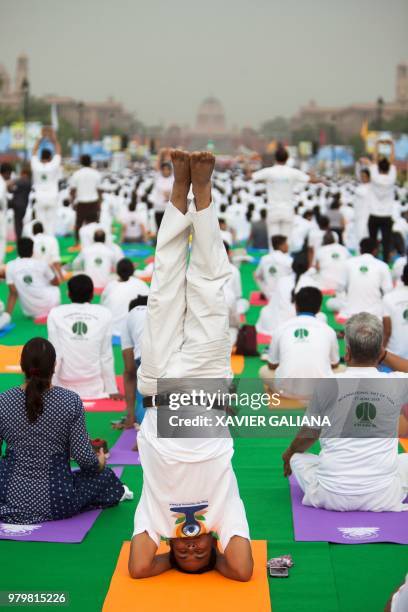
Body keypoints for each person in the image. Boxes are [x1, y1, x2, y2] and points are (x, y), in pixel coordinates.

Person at [129, 150, 252, 581]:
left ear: (172, 549)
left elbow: (140, 567)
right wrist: (214, 555)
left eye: (188, 553)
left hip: (160, 386)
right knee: (208, 290)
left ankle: (178, 193)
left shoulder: (158, 519)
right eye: (204, 551)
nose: (195, 543)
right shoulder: (225, 514)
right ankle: (203, 193)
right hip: (206, 385)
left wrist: (168, 555)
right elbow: (241, 570)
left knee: (162, 291)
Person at [282, 313, 408, 512]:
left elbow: (309, 435)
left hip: (331, 496)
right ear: (380, 352)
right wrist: (383, 355)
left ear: (347, 353)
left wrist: (289, 453)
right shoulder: (398, 382)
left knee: (298, 458)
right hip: (383, 495)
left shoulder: (327, 385)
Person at [0, 337, 129, 524]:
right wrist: (99, 463)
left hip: (7, 494)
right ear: (54, 366)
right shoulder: (70, 400)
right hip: (57, 499)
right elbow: (84, 459)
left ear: (22, 365)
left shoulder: (4, 401)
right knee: (106, 477)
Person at [47, 274, 121, 400]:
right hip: (95, 387)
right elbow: (105, 355)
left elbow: (55, 353)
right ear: (92, 295)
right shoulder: (104, 314)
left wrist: (49, 387)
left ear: (68, 294)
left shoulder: (55, 313)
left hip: (62, 387)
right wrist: (112, 389)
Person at [259, 287, 339, 397]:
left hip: (285, 391)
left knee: (264, 371)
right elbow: (335, 364)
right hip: (321, 392)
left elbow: (271, 365)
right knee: (342, 370)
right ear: (319, 308)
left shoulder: (282, 328)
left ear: (295, 306)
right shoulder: (328, 330)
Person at [252, 145, 311, 238]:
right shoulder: (293, 172)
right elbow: (309, 179)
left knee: (273, 241)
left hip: (273, 210)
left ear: (275, 158)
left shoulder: (269, 171)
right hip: (287, 210)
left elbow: (251, 177)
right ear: (287, 158)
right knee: (286, 241)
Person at [327, 237, 392, 320]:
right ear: (375, 251)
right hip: (375, 313)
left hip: (350, 311)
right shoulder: (383, 266)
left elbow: (339, 288)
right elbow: (388, 292)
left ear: (360, 249)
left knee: (330, 302)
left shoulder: (348, 263)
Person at [6, 237, 60, 318]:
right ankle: (48, 311)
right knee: (55, 289)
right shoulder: (42, 264)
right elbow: (56, 283)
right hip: (50, 304)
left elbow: (13, 293)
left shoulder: (10, 266)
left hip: (29, 311)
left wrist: (7, 315)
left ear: (17, 251)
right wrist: (52, 270)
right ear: (32, 250)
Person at [365, 140, 397, 263]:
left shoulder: (374, 176)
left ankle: (372, 261)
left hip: (373, 214)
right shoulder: (391, 177)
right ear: (389, 168)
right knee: (386, 241)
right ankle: (385, 263)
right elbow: (392, 161)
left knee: (373, 240)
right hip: (387, 216)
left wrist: (376, 144)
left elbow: (374, 159)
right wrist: (392, 145)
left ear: (378, 167)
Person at [101, 258, 149, 337]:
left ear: (117, 271)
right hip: (133, 332)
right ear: (133, 270)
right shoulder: (141, 284)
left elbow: (103, 306)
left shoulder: (110, 286)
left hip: (112, 331)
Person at [121, 295, 149, 430]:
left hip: (146, 359)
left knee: (144, 392)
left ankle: (145, 432)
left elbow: (129, 370)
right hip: (177, 357)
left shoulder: (129, 317)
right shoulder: (165, 309)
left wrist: (130, 415)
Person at [31, 129, 62, 235]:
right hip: (52, 197)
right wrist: (54, 139)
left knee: (40, 223)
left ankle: (41, 243)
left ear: (41, 157)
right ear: (50, 157)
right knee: (51, 223)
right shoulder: (53, 165)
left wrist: (40, 139)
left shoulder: (36, 166)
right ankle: (50, 243)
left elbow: (33, 152)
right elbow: (58, 151)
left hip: (40, 197)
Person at [70, 154, 102, 242]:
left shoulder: (76, 174)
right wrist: (100, 203)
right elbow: (99, 190)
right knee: (95, 224)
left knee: (78, 224)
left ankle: (77, 243)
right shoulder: (96, 173)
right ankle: (96, 241)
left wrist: (72, 202)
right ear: (90, 162)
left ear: (81, 162)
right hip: (93, 202)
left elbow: (72, 191)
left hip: (81, 202)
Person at [254, 235, 293, 299]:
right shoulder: (289, 260)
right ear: (281, 246)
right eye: (286, 244)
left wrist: (264, 290)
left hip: (269, 295)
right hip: (286, 295)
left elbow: (257, 276)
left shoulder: (264, 259)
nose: (288, 246)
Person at [383, 264, 408, 359]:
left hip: (393, 358)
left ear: (402, 278)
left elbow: (387, 331)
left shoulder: (389, 298)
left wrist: (379, 357)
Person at [10, 164, 32, 241]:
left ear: (24, 173)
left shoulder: (20, 181)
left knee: (17, 223)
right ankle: (20, 237)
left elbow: (11, 189)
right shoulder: (30, 182)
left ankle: (18, 238)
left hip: (16, 204)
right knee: (20, 222)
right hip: (24, 205)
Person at [151, 162, 174, 231]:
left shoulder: (174, 180)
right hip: (159, 207)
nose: (166, 171)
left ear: (170, 170)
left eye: (167, 169)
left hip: (170, 208)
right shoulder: (158, 179)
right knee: (160, 228)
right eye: (164, 169)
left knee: (170, 228)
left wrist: (169, 194)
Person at [0, 162, 12, 264]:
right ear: (6, 173)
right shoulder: (2, 183)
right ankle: (0, 261)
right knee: (2, 238)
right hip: (0, 214)